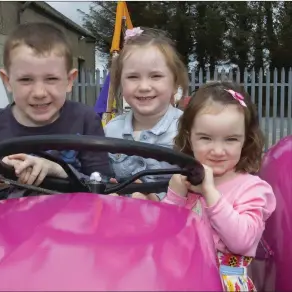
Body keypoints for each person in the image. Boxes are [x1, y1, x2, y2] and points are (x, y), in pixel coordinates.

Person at [0, 22, 113, 210]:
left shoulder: (85, 120)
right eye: (26, 80)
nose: (39, 92)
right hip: (7, 234)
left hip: (72, 232)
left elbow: (108, 188)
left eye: (51, 79)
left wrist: (59, 171)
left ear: (70, 81)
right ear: (7, 81)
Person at [162, 81, 276, 291]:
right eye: (205, 138)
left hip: (226, 283)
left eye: (230, 139)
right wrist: (175, 197)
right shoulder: (186, 182)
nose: (218, 150)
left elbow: (241, 241)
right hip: (182, 280)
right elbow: (165, 237)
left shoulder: (253, 189)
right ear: (190, 137)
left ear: (245, 140)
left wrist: (210, 193)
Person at [103, 27, 190, 201]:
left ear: (174, 83)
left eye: (155, 76)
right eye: (133, 77)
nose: (144, 86)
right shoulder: (112, 130)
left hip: (173, 219)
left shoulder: (186, 128)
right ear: (121, 83)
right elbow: (105, 177)